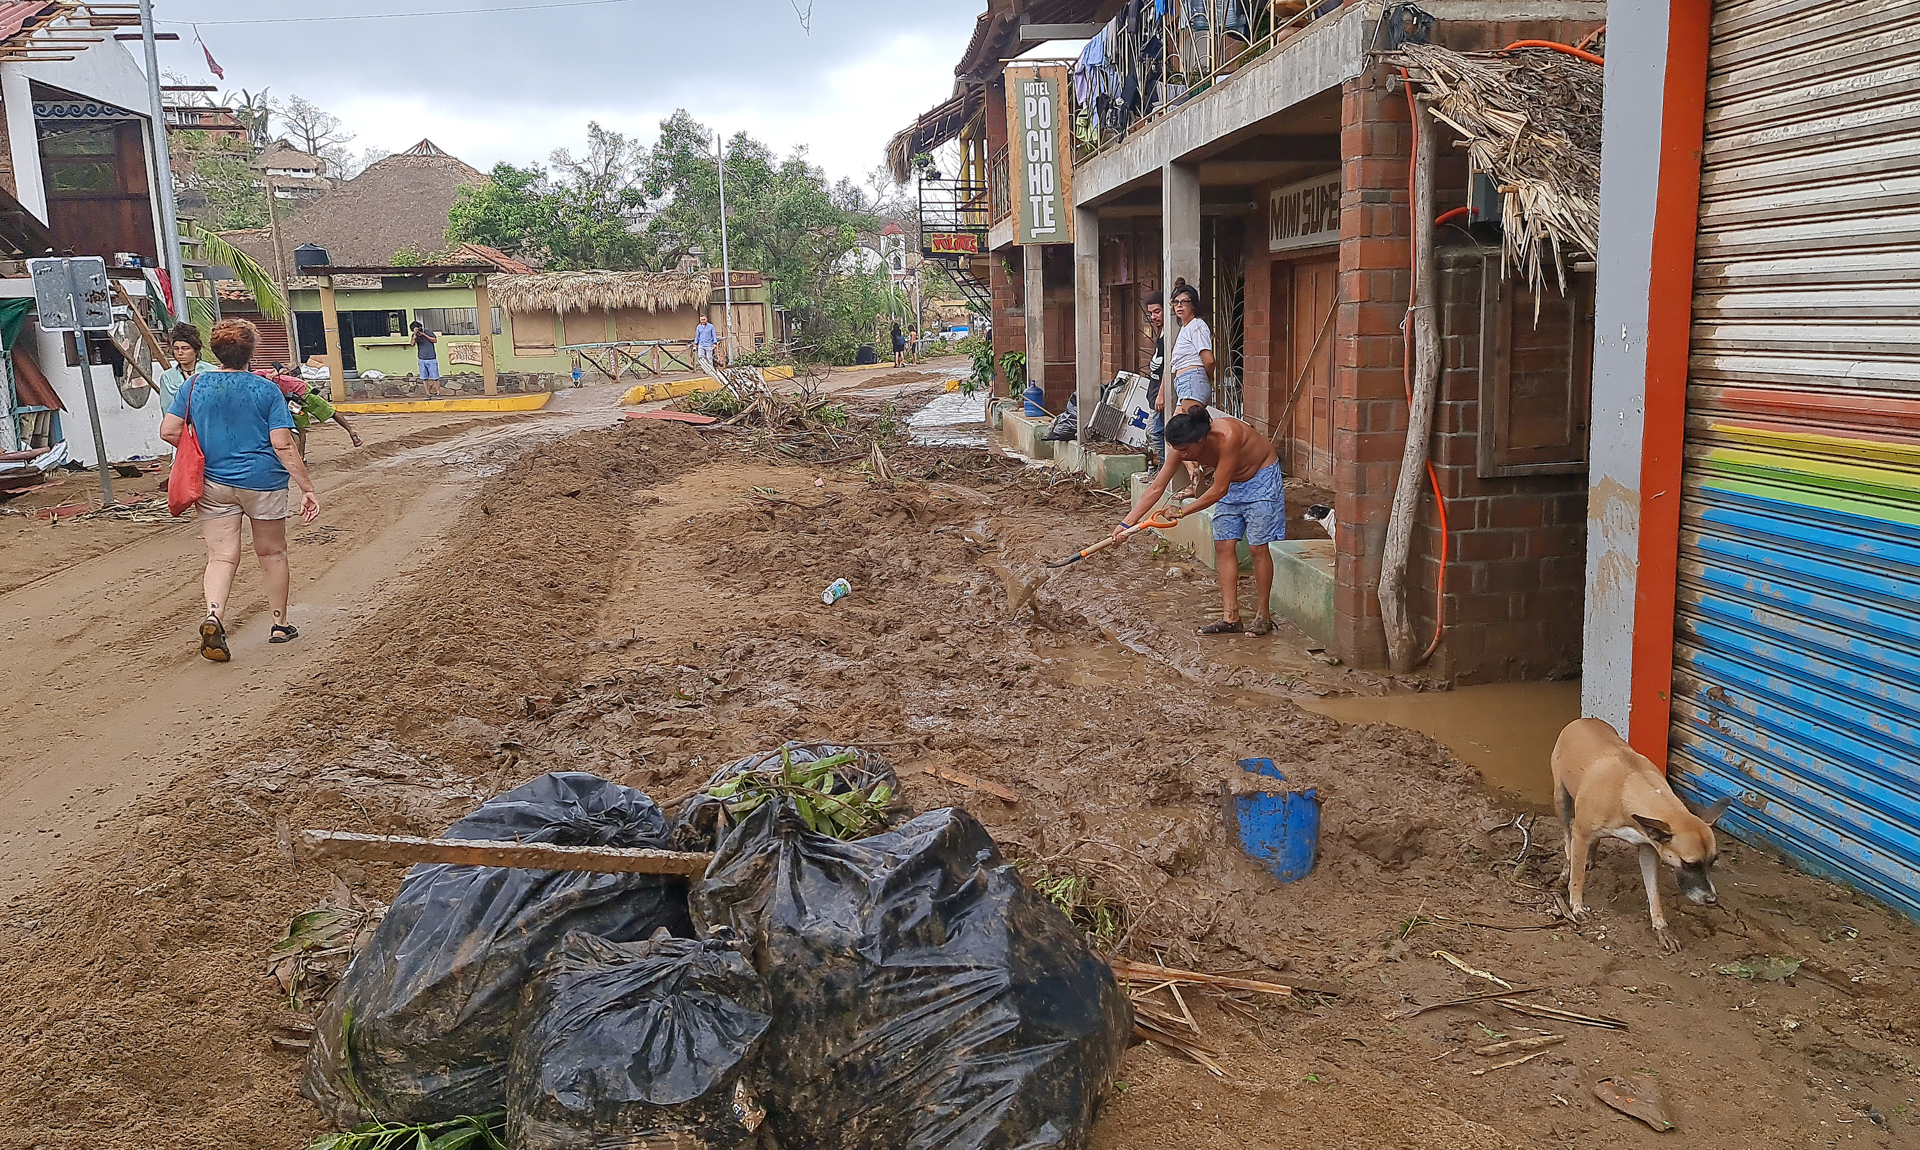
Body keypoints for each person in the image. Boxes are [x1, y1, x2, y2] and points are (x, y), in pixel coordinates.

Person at [159, 318, 320, 662]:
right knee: (271, 553)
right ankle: (279, 625)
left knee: (220, 555)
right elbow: (283, 444)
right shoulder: (266, 390)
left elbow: (169, 431)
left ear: (215, 351)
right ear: (251, 352)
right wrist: (307, 487)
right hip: (264, 482)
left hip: (213, 484)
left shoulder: (194, 385)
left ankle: (214, 615)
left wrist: (202, 448)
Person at [1114, 407, 1283, 637]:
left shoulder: (1228, 436)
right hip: (1232, 482)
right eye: (1177, 450)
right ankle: (1230, 618)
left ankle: (1263, 616)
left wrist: (1183, 512)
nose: (1182, 456)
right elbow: (1156, 487)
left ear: (1201, 439)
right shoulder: (1181, 446)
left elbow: (1218, 490)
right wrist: (1126, 525)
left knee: (1258, 547)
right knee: (1223, 544)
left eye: (1185, 450)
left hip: (1260, 479)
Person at [1167, 282, 1215, 498]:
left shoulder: (1196, 326)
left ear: (1193, 305)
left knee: (1183, 435)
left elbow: (1209, 359)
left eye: (1184, 302)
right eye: (1176, 302)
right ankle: (1198, 477)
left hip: (1192, 381)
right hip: (1185, 384)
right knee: (1177, 434)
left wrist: (1206, 379)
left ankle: (1197, 481)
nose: (1179, 306)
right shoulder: (1186, 328)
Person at [266, 367, 361, 456]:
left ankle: (352, 432)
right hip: (291, 399)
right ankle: (301, 458)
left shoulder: (258, 374)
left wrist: (273, 374)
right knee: (300, 428)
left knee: (329, 411)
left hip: (303, 390)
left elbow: (281, 369)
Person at [156, 322, 218, 412]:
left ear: (195, 350)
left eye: (185, 348)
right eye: (176, 348)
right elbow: (167, 408)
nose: (180, 352)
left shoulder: (212, 372)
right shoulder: (168, 377)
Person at [1141, 291, 1166, 463]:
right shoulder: (1161, 332)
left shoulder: (1171, 335)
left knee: (1154, 432)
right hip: (1154, 392)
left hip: (1161, 395)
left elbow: (1170, 366)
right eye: (1151, 313)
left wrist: (1162, 394)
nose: (1153, 317)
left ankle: (1165, 468)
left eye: (1157, 311)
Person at [410, 321, 442, 397]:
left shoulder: (428, 332)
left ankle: (438, 393)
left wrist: (424, 335)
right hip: (421, 359)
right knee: (424, 378)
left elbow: (434, 340)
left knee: (435, 377)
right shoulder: (415, 335)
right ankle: (428, 393)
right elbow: (412, 344)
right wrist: (415, 336)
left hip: (431, 358)